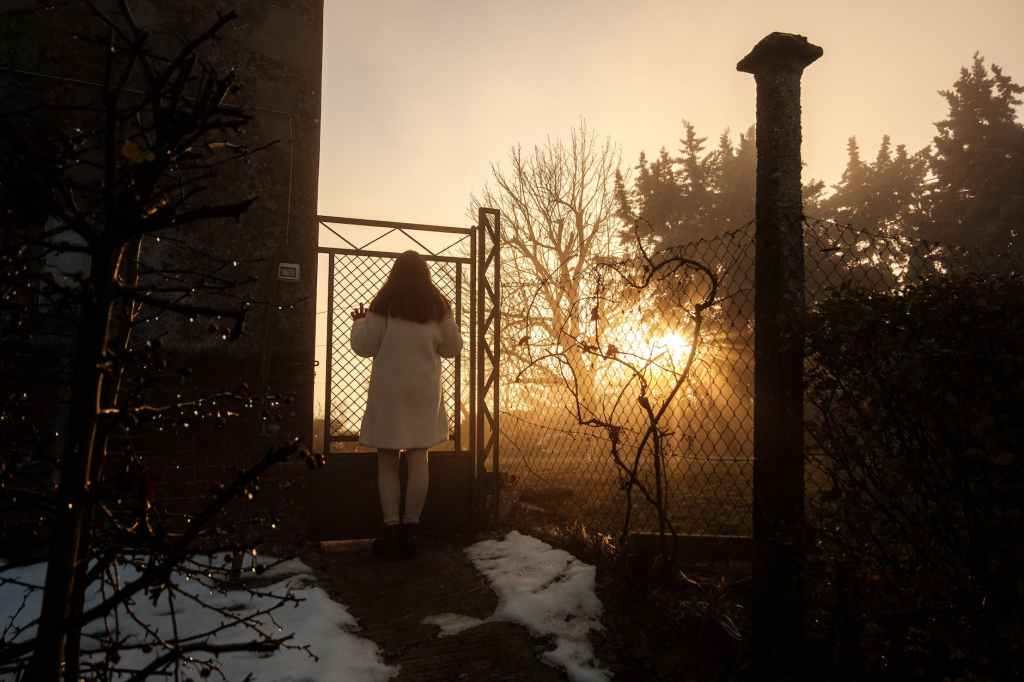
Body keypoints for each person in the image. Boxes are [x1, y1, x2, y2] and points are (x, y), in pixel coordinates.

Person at [350, 250, 463, 560]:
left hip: (389, 392)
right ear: (426, 274)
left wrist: (359, 323)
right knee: (418, 456)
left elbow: (364, 346)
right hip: (423, 392)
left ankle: (391, 530)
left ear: (395, 274)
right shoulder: (438, 307)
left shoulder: (384, 304)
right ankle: (412, 528)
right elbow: (452, 348)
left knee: (387, 459)